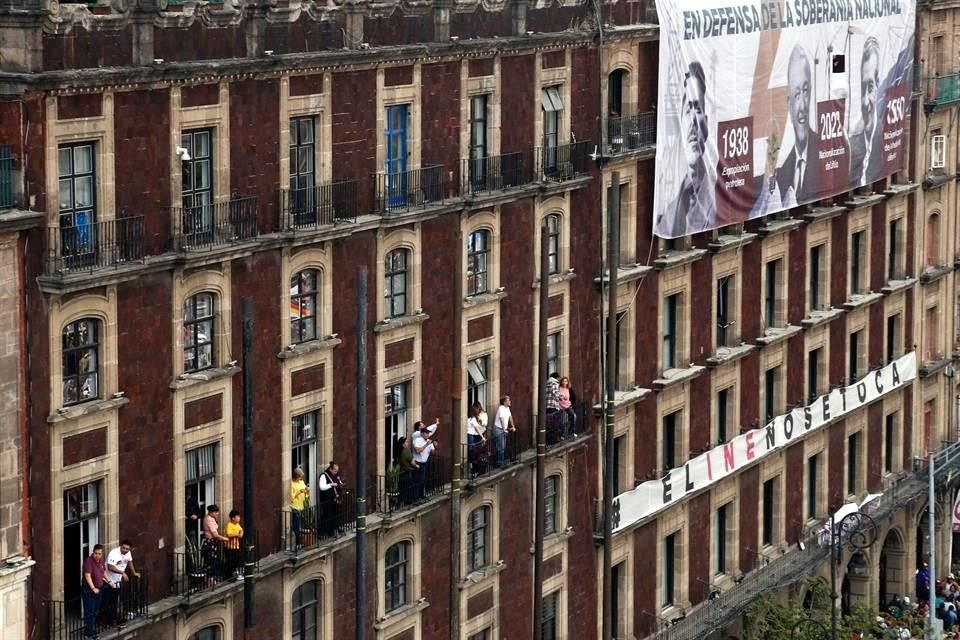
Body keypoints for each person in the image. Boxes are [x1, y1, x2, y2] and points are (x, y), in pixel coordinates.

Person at [657, 61, 716, 237]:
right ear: (680, 118)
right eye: (688, 109)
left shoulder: (719, 195)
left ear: (706, 121)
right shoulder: (668, 213)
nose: (693, 123)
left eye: (697, 109)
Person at [776, 45, 819, 206]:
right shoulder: (781, 174)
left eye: (806, 91)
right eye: (796, 94)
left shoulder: (826, 153)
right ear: (788, 103)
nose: (801, 106)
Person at [849, 37, 883, 187]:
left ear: (878, 84)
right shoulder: (853, 140)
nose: (864, 100)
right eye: (862, 88)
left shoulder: (887, 134)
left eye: (870, 88)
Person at [104, 540, 140, 629]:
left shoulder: (128, 553)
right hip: (109, 580)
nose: (125, 550)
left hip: (117, 581)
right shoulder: (114, 553)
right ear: (120, 546)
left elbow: (129, 561)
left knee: (114, 601)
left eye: (127, 549)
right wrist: (122, 573)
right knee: (109, 602)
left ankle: (113, 620)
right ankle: (108, 621)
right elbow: (110, 566)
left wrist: (134, 572)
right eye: (123, 548)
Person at [82, 544, 106, 638]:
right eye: (96, 553)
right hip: (89, 590)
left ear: (102, 554)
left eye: (99, 554)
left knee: (95, 610)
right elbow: (87, 575)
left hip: (99, 589)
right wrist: (93, 588)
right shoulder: (89, 561)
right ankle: (89, 632)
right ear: (93, 552)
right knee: (90, 611)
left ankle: (90, 628)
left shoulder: (100, 561)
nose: (97, 556)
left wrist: (109, 581)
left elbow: (103, 572)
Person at [412, 420, 439, 499]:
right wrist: (426, 444)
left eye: (428, 433)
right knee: (416, 480)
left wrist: (435, 446)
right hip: (417, 463)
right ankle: (415, 497)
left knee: (423, 480)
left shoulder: (429, 441)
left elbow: (433, 453)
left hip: (424, 463)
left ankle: (421, 495)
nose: (428, 435)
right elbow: (417, 451)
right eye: (426, 433)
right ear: (423, 434)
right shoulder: (417, 440)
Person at [202, 505, 229, 580]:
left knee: (212, 560)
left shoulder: (209, 518)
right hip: (210, 542)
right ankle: (210, 578)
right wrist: (225, 539)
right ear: (211, 512)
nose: (217, 514)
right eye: (216, 512)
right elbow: (215, 534)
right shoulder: (209, 520)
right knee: (211, 560)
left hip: (211, 541)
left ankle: (211, 577)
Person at [318, 462, 344, 536]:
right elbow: (322, 487)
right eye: (335, 471)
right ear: (331, 469)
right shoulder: (324, 476)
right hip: (326, 499)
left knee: (334, 514)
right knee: (326, 515)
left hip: (334, 498)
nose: (336, 472)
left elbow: (338, 481)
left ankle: (332, 530)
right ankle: (321, 532)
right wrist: (331, 485)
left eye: (337, 471)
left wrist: (340, 483)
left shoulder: (335, 475)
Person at [493, 395, 517, 466]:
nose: (510, 401)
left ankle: (500, 461)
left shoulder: (507, 408)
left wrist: (513, 426)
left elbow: (510, 417)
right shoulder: (501, 409)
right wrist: (504, 429)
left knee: (502, 446)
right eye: (508, 400)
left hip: (503, 429)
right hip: (498, 429)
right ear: (504, 402)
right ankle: (500, 462)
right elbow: (502, 419)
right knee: (501, 447)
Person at [395, 436, 419, 504]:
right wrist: (417, 466)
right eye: (406, 442)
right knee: (409, 487)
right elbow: (412, 462)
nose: (407, 443)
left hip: (401, 472)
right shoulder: (406, 451)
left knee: (402, 488)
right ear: (403, 444)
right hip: (407, 471)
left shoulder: (398, 451)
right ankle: (409, 500)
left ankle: (401, 500)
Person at [290, 467, 309, 548]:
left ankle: (299, 542)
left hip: (301, 506)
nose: (301, 478)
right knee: (296, 526)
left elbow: (306, 493)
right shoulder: (291, 484)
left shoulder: (301, 482)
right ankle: (297, 544)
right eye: (300, 476)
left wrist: (307, 490)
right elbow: (291, 497)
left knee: (299, 524)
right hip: (295, 507)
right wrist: (299, 492)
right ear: (297, 476)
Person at [225, 510, 244, 580]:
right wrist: (237, 534)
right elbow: (229, 534)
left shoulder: (237, 524)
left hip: (236, 546)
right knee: (233, 561)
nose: (239, 518)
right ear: (233, 518)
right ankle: (232, 575)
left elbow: (241, 530)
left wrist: (241, 533)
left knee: (238, 560)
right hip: (231, 547)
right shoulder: (229, 525)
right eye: (237, 517)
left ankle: (237, 573)